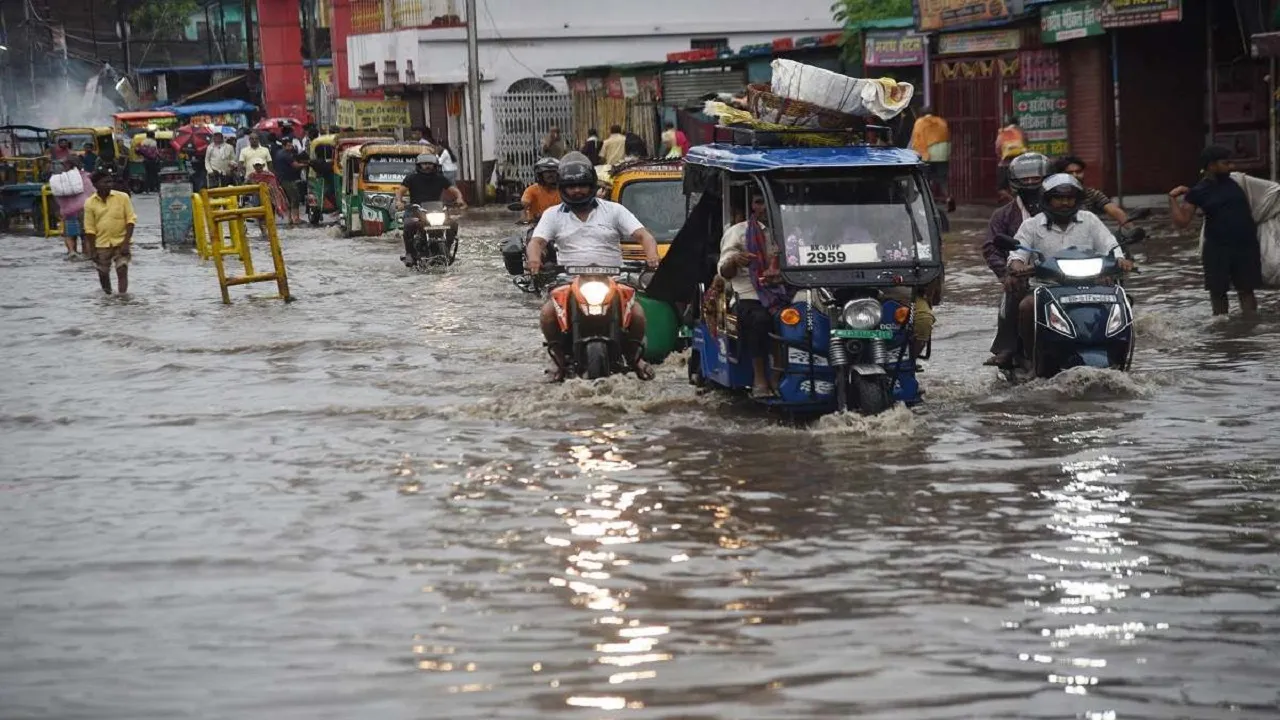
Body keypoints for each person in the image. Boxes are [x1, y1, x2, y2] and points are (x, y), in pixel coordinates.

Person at [525, 152, 660, 381]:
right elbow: (536, 242)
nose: (577, 190)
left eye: (583, 185)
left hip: (614, 278)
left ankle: (635, 358)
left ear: (592, 185)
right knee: (548, 313)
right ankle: (557, 360)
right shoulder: (552, 215)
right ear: (562, 188)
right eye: (571, 186)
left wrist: (652, 257)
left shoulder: (614, 210)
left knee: (637, 313)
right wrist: (534, 260)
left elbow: (644, 235)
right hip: (568, 279)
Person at [1006, 174, 1134, 353]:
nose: (1065, 203)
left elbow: (1109, 245)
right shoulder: (1031, 225)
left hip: (1091, 285)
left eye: (1069, 198)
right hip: (1045, 288)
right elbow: (1018, 254)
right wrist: (1018, 265)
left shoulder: (1089, 220)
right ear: (1047, 200)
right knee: (1026, 306)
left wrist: (1120, 260)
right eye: (1058, 198)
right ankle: (1030, 355)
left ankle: (1118, 350)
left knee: (1123, 301)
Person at [1169, 145, 1262, 317]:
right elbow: (1182, 222)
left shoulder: (1238, 182)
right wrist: (1172, 199)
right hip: (1217, 249)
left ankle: (1251, 327)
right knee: (1218, 292)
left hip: (1245, 246)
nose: (1231, 166)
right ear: (1211, 165)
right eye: (1225, 163)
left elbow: (1269, 194)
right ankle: (1221, 331)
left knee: (1247, 290)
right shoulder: (1198, 192)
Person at [982, 152, 1049, 366]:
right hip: (1022, 274)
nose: (1030, 183)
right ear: (1014, 182)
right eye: (1025, 179)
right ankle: (1008, 347)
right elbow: (991, 247)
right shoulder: (1003, 215)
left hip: (1063, 273)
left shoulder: (1072, 213)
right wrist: (1006, 273)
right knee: (1014, 289)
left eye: (1035, 178)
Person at [717, 193, 786, 398]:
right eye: (759, 202)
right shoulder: (738, 233)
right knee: (760, 319)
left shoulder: (790, 229)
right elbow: (724, 271)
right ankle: (761, 377)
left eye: (769, 200)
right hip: (748, 294)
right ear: (752, 206)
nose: (764, 207)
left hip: (785, 290)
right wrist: (736, 260)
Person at [394, 153, 467, 266]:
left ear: (435, 166)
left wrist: (459, 198)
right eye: (424, 164)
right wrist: (399, 201)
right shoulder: (412, 178)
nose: (427, 166)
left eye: (430, 164)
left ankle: (447, 249)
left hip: (436, 210)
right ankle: (409, 253)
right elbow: (400, 191)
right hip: (416, 210)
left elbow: (454, 190)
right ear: (419, 165)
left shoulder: (440, 178)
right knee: (408, 224)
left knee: (452, 224)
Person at [83, 171, 138, 296]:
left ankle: (122, 297)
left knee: (122, 268)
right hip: (101, 243)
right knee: (103, 273)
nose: (109, 184)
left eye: (110, 181)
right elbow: (89, 228)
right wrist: (92, 249)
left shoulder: (123, 197)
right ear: (96, 185)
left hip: (121, 241)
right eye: (105, 182)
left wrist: (126, 243)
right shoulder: (90, 203)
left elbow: (130, 220)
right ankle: (107, 297)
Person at [1052, 156, 1130, 226]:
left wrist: (1132, 229)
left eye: (1078, 172)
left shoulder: (1091, 194)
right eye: (1069, 173)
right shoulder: (1051, 196)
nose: (1075, 175)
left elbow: (1115, 211)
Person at [909, 106, 953, 212]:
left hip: (927, 155)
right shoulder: (942, 122)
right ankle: (949, 198)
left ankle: (928, 201)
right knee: (942, 179)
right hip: (942, 155)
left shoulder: (920, 122)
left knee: (925, 179)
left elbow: (917, 139)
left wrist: (916, 153)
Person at [54, 156, 96, 259]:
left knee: (70, 235)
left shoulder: (61, 179)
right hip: (84, 209)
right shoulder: (85, 177)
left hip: (68, 212)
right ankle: (87, 255)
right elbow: (92, 193)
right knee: (86, 235)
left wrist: (61, 209)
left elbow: (57, 195)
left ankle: (72, 252)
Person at [273, 142, 307, 225]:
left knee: (287, 199)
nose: (291, 146)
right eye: (288, 145)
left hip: (280, 179)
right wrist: (306, 164)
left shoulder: (278, 153)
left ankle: (290, 218)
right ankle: (296, 218)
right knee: (295, 197)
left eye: (291, 145)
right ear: (284, 146)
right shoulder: (286, 155)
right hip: (288, 180)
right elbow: (295, 165)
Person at [521, 157, 561, 223]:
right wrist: (524, 217)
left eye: (553, 172)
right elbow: (524, 205)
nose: (550, 175)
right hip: (537, 224)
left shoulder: (564, 190)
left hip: (559, 224)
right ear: (540, 174)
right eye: (547, 172)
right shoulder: (532, 190)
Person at [994, 117, 1026, 201]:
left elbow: (997, 147)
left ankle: (1014, 201)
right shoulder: (1021, 132)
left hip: (1005, 164)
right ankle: (1015, 199)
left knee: (1001, 188)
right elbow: (1026, 146)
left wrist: (1002, 155)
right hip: (1020, 164)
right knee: (1019, 185)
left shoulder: (1004, 132)